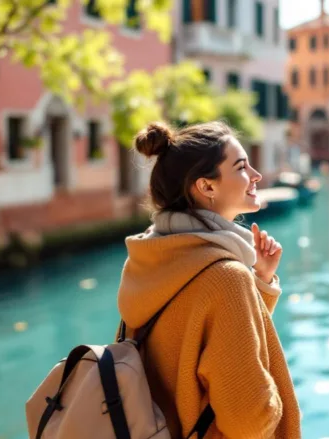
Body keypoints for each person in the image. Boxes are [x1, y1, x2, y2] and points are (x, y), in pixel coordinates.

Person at [116, 121, 301, 439]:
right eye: (242, 167)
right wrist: (277, 398)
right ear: (207, 187)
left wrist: (260, 280)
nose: (257, 176)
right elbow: (247, 420)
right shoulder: (226, 278)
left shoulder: (150, 260)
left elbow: (198, 338)